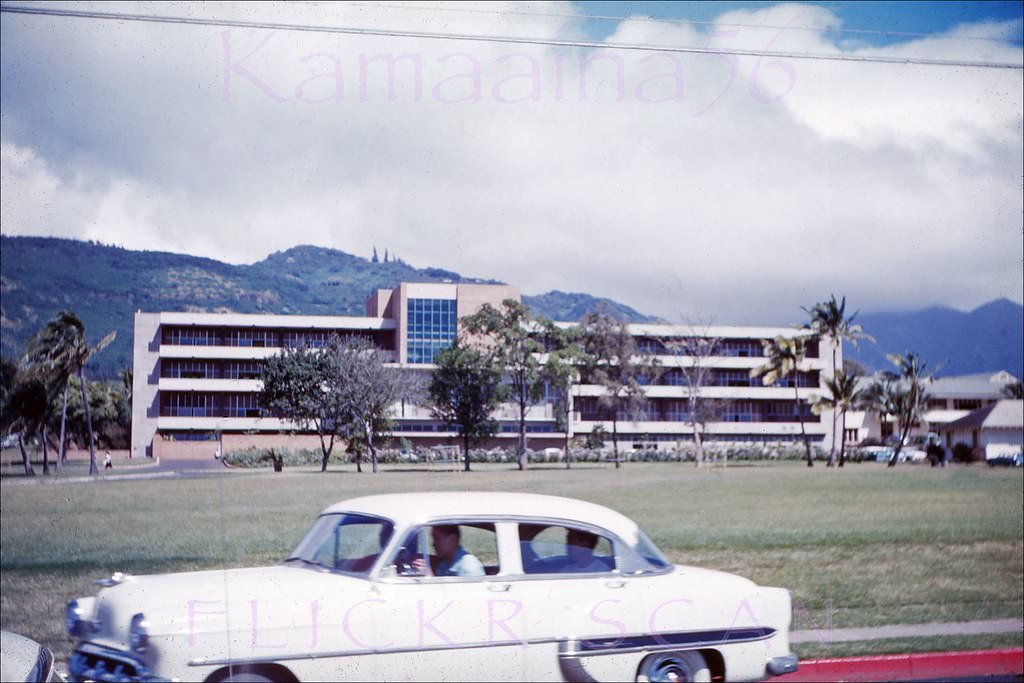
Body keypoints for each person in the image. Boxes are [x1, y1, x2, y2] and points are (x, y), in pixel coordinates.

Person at [413, 525, 484, 577]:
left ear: (452, 539)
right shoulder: (445, 563)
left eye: (437, 539)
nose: (433, 544)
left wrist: (429, 575)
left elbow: (468, 596)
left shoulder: (468, 566)